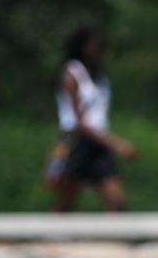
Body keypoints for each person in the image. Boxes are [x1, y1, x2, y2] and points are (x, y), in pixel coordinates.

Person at [53, 26, 136, 212]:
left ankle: (117, 239)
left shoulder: (100, 76)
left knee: (116, 200)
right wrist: (116, 143)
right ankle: (43, 237)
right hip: (77, 142)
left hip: (98, 143)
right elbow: (79, 122)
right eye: (97, 46)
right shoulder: (72, 74)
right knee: (66, 201)